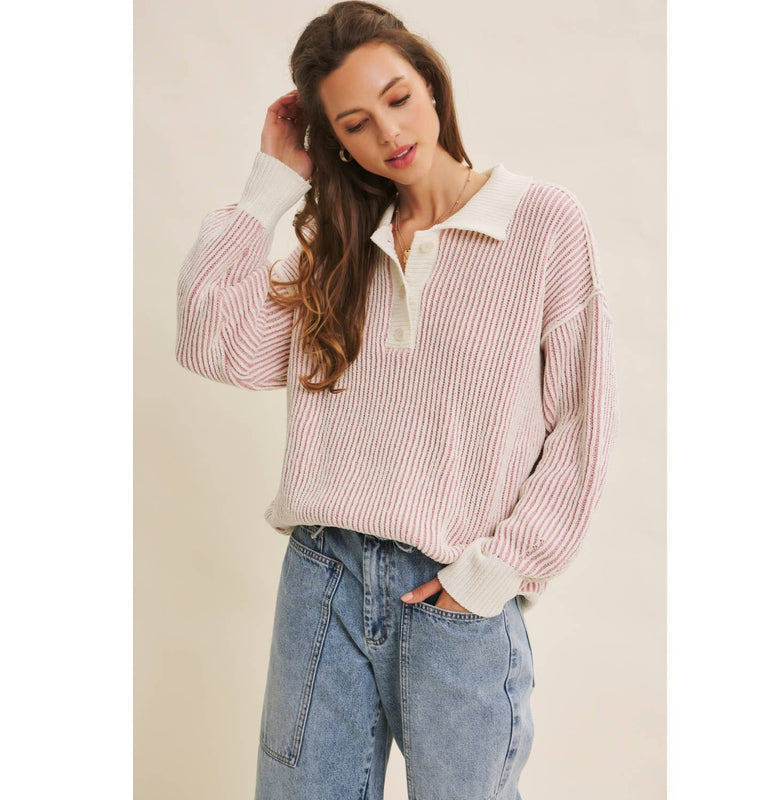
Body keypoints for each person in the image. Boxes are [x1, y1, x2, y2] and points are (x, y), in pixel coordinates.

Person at [174, 2, 620, 798]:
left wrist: (493, 574)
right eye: (353, 122)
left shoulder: (544, 225)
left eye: (398, 96)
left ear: (431, 83)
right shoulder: (344, 251)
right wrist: (272, 183)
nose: (388, 132)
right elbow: (210, 336)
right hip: (323, 578)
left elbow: (583, 429)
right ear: (334, 140)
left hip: (458, 591)